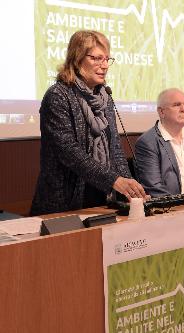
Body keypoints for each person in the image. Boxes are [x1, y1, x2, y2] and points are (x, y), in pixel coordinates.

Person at [30, 30, 147, 216]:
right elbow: (69, 152)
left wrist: (130, 189)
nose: (105, 65)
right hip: (64, 203)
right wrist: (114, 180)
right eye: (97, 58)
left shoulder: (104, 97)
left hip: (101, 198)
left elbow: (115, 149)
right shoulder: (58, 95)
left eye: (107, 59)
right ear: (77, 59)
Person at [135, 88, 184, 197]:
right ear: (161, 112)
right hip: (171, 208)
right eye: (177, 105)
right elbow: (153, 187)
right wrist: (182, 204)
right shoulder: (147, 142)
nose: (183, 109)